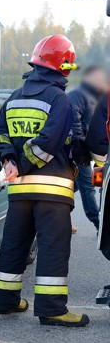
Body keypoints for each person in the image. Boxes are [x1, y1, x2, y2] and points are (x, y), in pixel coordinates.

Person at [0, 34, 88, 327]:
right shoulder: (60, 100)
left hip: (19, 192)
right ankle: (52, 309)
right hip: (52, 190)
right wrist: (19, 163)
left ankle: (6, 302)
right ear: (64, 67)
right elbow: (49, 142)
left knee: (14, 244)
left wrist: (8, 161)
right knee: (53, 247)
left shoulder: (15, 96)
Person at [68, 65, 107, 231]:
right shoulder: (78, 95)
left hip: (89, 151)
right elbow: (73, 120)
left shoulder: (95, 97)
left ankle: (59, 218)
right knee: (88, 187)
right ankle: (100, 226)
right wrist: (80, 146)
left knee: (75, 186)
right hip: (78, 151)